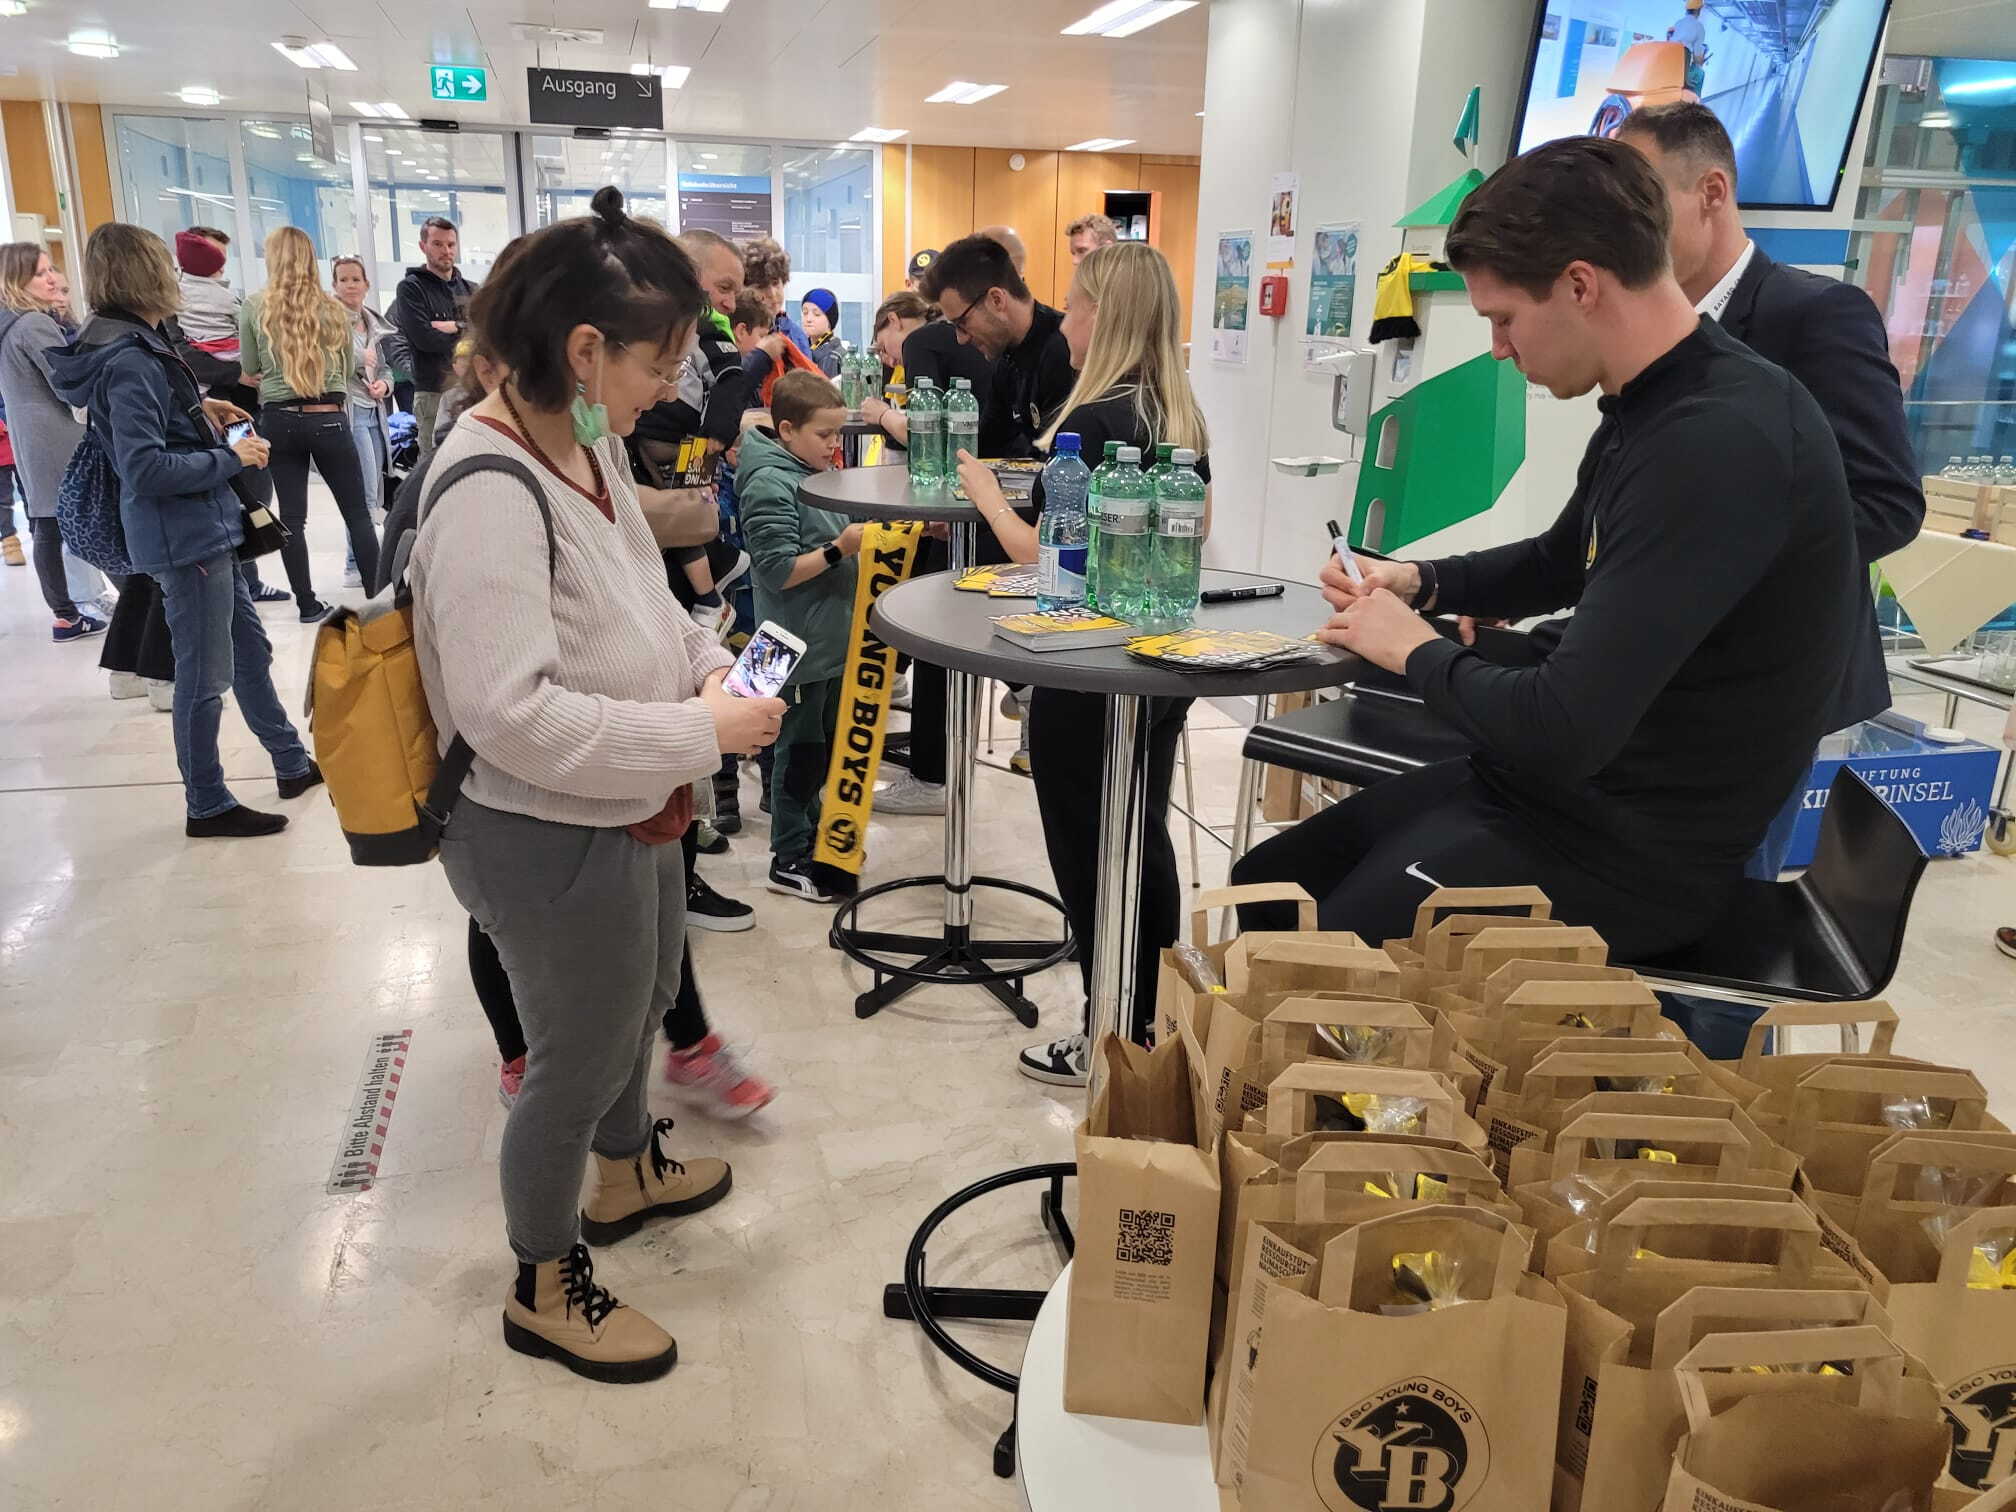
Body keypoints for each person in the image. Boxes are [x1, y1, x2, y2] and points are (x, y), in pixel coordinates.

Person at [1231, 136, 1862, 967]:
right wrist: (1419, 581)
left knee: (1320, 953)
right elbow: (1563, 557)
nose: (1497, 347)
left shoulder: (1719, 441)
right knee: (1272, 885)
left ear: (1579, 285)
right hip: (1560, 801)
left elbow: (1563, 728)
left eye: (1503, 319)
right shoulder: (1655, 401)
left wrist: (1414, 649)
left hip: (1634, 854)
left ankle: (1366, 1095)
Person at [410, 186, 785, 1381]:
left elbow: (645, 608)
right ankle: (543, 1274)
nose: (671, 384)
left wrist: (713, 667)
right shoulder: (486, 488)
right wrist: (700, 735)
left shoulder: (587, 449)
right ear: (583, 350)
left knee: (644, 994)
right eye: (657, 358)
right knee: (574, 1056)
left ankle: (628, 1171)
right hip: (537, 827)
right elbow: (507, 714)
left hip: (628, 803)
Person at [1615, 101, 1924, 1053]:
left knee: (1709, 930)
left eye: (1639, 198)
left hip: (1766, 687)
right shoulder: (1650, 334)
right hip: (1665, 679)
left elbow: (1884, 500)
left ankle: (1697, 1134)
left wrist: (1723, 570)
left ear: (1712, 193)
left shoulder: (1813, 315)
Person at [955, 242, 1211, 1085]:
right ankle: (1151, 1027)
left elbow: (1044, 555)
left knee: (1089, 853)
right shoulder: (1177, 417)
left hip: (1084, 665)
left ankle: (1110, 1035)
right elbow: (1195, 532)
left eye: (1077, 302)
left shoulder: (1091, 423)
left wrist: (985, 493)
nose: (1066, 318)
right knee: (1141, 842)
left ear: (1106, 315)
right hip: (1155, 663)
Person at [47, 223, 324, 838]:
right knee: (203, 677)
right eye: (163, 268)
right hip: (185, 536)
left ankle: (289, 761)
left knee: (249, 652)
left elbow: (149, 432)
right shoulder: (129, 359)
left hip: (201, 529)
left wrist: (202, 410)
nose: (176, 279)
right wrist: (234, 459)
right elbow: (144, 467)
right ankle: (207, 803)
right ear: (141, 276)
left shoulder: (128, 343)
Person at [737, 369, 863, 903]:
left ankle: (811, 840)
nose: (835, 446)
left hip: (823, 645)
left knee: (818, 752)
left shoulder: (804, 468)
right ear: (786, 429)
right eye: (825, 435)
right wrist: (842, 549)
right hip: (791, 649)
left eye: (839, 435)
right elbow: (776, 571)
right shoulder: (770, 481)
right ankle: (788, 858)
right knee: (799, 756)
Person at [239, 227, 381, 615]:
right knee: (357, 514)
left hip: (279, 421)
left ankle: (306, 604)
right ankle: (377, 599)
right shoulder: (335, 309)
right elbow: (348, 366)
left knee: (292, 518)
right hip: (330, 418)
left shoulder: (253, 307)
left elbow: (249, 368)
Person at [0, 243, 102, 640]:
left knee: (46, 520)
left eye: (51, 269)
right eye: (39, 273)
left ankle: (66, 612)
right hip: (59, 435)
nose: (52, 278)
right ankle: (90, 607)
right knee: (74, 519)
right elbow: (67, 384)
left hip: (30, 436)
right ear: (16, 279)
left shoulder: (9, 323)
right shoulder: (33, 325)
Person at [920, 231, 1074, 460]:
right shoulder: (1007, 359)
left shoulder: (1066, 351)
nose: (960, 339)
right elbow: (984, 445)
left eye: (962, 323)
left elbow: (1062, 467)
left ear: (997, 300)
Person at [331, 256, 398, 589]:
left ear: (366, 284)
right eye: (343, 280)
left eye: (356, 279)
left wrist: (385, 385)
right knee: (363, 493)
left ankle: (361, 559)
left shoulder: (372, 324)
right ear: (334, 285)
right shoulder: (329, 323)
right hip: (350, 413)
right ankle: (357, 564)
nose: (350, 285)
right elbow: (324, 366)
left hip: (375, 412)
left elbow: (384, 368)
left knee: (373, 489)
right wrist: (357, 359)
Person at [393, 216, 474, 456]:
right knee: (432, 467)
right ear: (423, 246)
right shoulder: (411, 288)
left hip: (469, 391)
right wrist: (466, 334)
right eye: (438, 244)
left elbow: (483, 334)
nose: (446, 251)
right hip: (432, 393)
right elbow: (424, 339)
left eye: (451, 244)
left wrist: (456, 326)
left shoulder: (470, 289)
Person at [859, 289, 935, 449]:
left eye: (884, 348)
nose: (892, 363)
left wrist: (883, 414)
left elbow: (921, 437)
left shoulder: (918, 343)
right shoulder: (939, 333)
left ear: (894, 320)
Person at [174, 227, 241, 364]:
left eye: (223, 261)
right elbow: (181, 352)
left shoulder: (226, 296)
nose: (222, 269)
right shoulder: (172, 301)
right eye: (215, 259)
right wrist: (237, 374)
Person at [742, 238, 808, 353]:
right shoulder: (738, 331)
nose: (772, 294)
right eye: (761, 286)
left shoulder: (796, 335)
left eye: (775, 283)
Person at [800, 287, 844, 377]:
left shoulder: (837, 357)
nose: (808, 319)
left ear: (830, 320)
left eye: (816, 314)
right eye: (805, 313)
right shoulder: (799, 351)